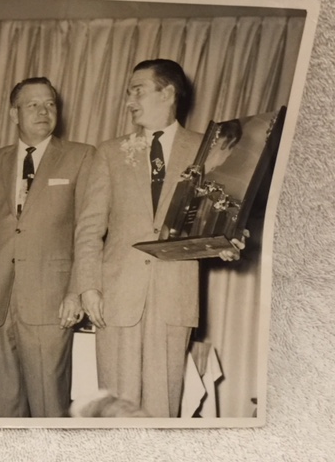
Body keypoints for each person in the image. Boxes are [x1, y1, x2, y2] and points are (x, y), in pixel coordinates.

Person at [71, 59, 243, 417]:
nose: (129, 101)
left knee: (162, 409)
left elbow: (221, 212)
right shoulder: (109, 152)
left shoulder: (206, 148)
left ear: (167, 93)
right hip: (117, 297)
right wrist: (88, 286)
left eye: (138, 91)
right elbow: (88, 228)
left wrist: (229, 242)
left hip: (173, 296)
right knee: (116, 409)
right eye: (128, 93)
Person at [0, 77, 95, 417]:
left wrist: (76, 292)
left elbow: (87, 231)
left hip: (51, 302)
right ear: (14, 114)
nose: (44, 111)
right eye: (33, 105)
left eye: (50, 104)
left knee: (49, 409)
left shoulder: (81, 156)